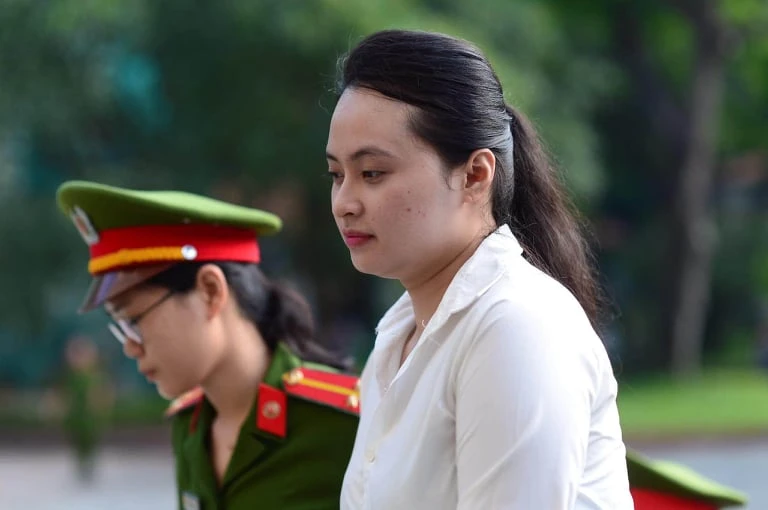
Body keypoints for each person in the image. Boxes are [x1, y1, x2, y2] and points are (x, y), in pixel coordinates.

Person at [326, 29, 633, 509]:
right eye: (336, 175)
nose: (345, 202)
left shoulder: (516, 325)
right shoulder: (398, 337)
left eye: (372, 174)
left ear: (474, 175)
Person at [56, 180, 360, 510]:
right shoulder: (190, 426)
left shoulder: (343, 424)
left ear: (211, 291)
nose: (130, 347)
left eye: (134, 321)